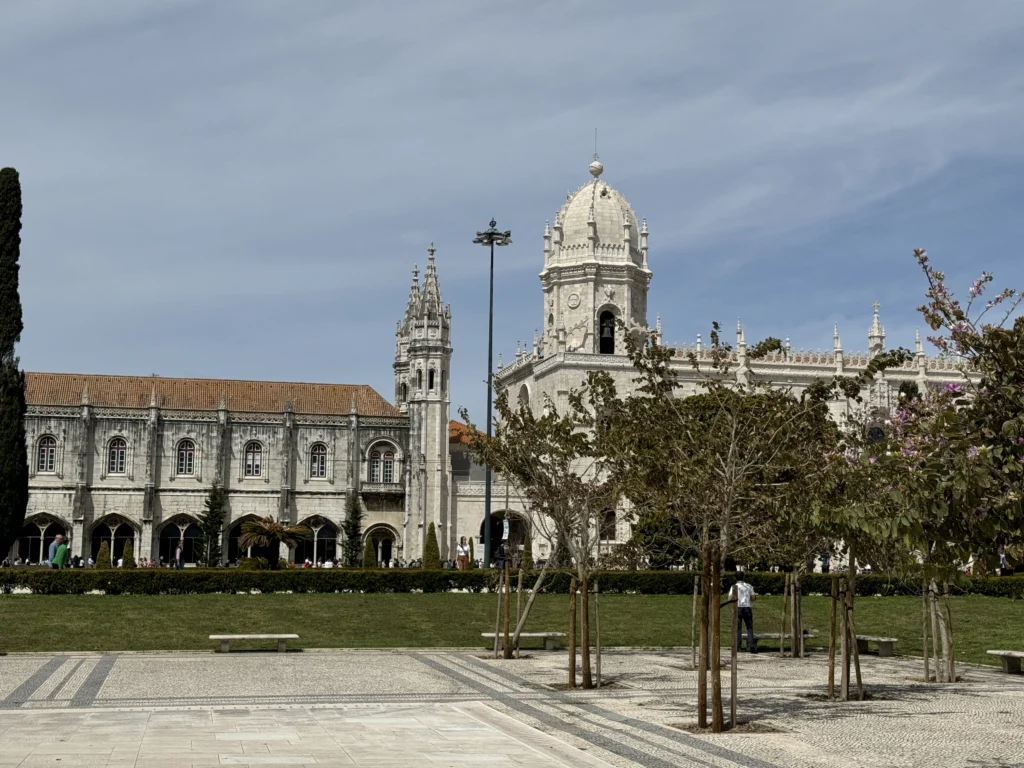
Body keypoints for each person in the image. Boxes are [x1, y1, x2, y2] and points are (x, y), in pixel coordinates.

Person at [727, 574, 757, 652]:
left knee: (738, 628)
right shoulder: (749, 586)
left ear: (735, 578)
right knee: (749, 627)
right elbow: (753, 597)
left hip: (738, 607)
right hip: (747, 607)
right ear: (743, 577)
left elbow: (729, 598)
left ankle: (738, 646)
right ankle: (751, 645)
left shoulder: (734, 586)